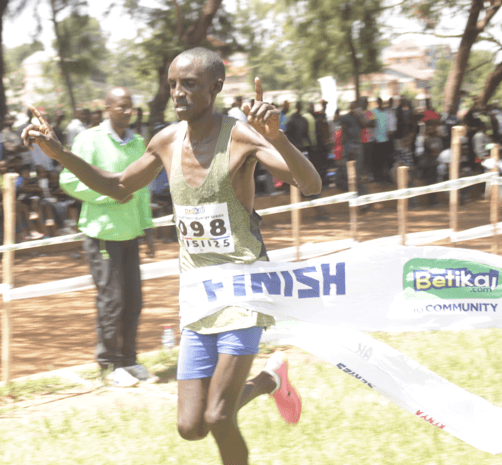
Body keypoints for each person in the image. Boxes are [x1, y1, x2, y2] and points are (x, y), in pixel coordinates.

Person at [22, 47, 321, 465]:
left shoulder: (238, 136)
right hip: (198, 294)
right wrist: (61, 155)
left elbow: (310, 184)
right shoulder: (166, 140)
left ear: (216, 87)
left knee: (219, 416)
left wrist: (277, 137)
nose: (178, 93)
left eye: (190, 85)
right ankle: (271, 379)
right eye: (172, 85)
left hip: (243, 291)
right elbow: (118, 186)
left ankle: (264, 383)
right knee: (190, 426)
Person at [59, 87, 156, 385]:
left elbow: (141, 191)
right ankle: (109, 365)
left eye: (130, 107)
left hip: (130, 234)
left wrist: (147, 229)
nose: (127, 111)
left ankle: (129, 360)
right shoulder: (90, 140)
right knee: (112, 301)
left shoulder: (138, 143)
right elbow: (68, 180)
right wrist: (110, 195)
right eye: (121, 106)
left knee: (133, 300)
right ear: (107, 108)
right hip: (103, 234)